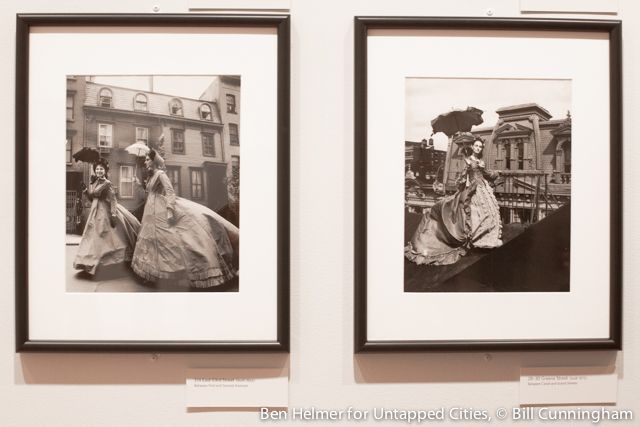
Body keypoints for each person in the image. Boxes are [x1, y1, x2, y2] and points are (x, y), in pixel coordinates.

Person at [131, 149, 239, 288]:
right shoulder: (151, 177)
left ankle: (173, 275)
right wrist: (138, 184)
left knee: (167, 242)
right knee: (152, 242)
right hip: (150, 213)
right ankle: (154, 274)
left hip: (160, 210)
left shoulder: (160, 174)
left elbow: (170, 191)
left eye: (147, 159)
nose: (145, 162)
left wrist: (169, 210)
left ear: (153, 161)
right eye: (145, 160)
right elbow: (147, 195)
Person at [405, 137, 502, 265]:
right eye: (476, 146)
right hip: (473, 188)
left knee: (488, 212)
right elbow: (460, 180)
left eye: (480, 147)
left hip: (482, 187)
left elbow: (486, 174)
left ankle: (487, 238)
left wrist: (495, 172)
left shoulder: (480, 161)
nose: (478, 148)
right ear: (472, 147)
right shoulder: (468, 160)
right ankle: (476, 239)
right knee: (473, 213)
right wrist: (467, 170)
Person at [73, 158, 141, 275]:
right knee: (93, 238)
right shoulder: (94, 182)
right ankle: (90, 263)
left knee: (103, 236)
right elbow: (92, 198)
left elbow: (113, 200)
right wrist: (85, 190)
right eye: (97, 169)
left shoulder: (107, 183)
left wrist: (113, 214)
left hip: (104, 211)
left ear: (105, 170)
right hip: (95, 211)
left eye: (101, 169)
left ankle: (104, 264)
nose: (99, 171)